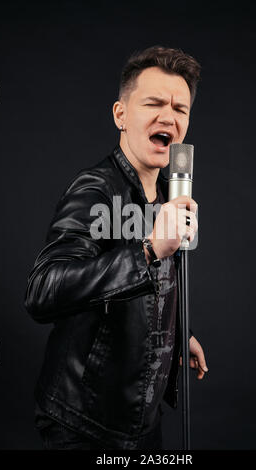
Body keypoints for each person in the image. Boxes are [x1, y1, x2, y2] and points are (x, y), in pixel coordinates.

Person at [24, 45, 208, 451]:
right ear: (120, 115)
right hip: (85, 423)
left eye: (180, 108)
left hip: (142, 418)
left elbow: (154, 286)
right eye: (154, 103)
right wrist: (146, 250)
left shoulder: (166, 195)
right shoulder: (94, 190)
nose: (169, 116)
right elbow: (42, 290)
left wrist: (181, 334)